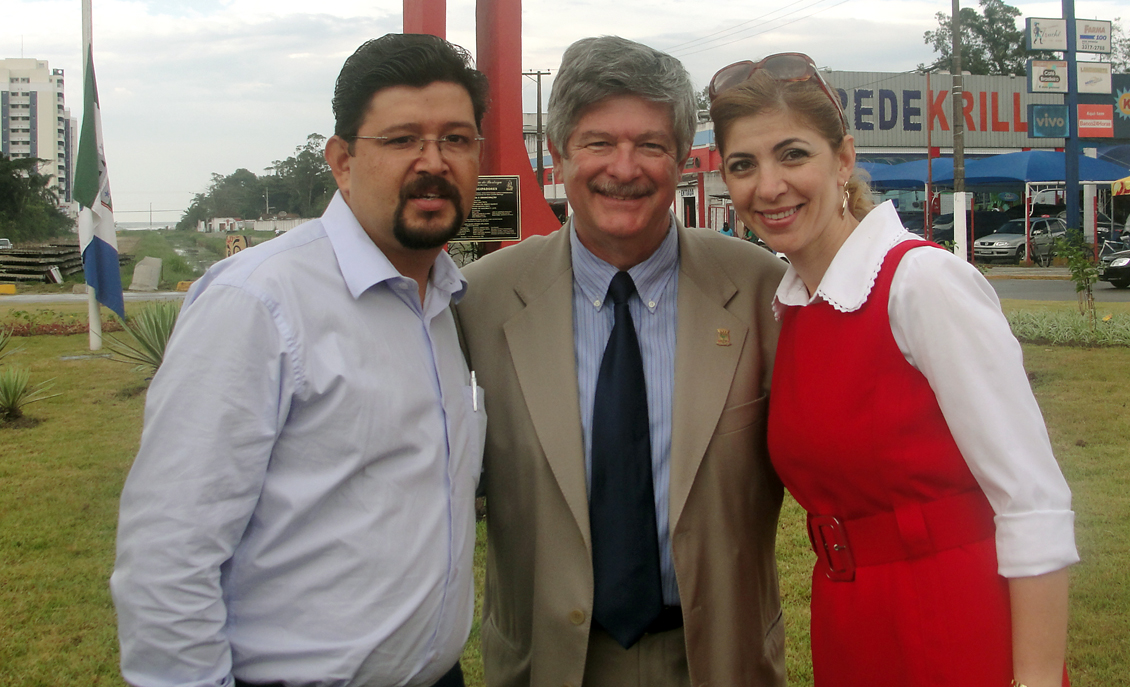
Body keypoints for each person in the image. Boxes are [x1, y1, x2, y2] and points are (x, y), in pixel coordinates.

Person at [111, 34, 489, 687]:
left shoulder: (446, 298)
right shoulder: (258, 303)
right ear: (341, 160)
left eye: (456, 139)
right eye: (402, 140)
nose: (434, 162)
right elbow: (168, 556)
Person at [709, 52, 1079, 687]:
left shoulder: (921, 283)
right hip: (850, 624)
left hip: (954, 623)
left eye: (792, 155)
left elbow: (1032, 499)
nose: (767, 186)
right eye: (743, 165)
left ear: (844, 159)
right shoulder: (794, 303)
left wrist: (1038, 677)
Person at [457, 36, 788, 687]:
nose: (625, 166)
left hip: (717, 658)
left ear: (682, 161)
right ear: (559, 155)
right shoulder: (481, 302)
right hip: (547, 662)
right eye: (598, 142)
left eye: (652, 145)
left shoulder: (759, 291)